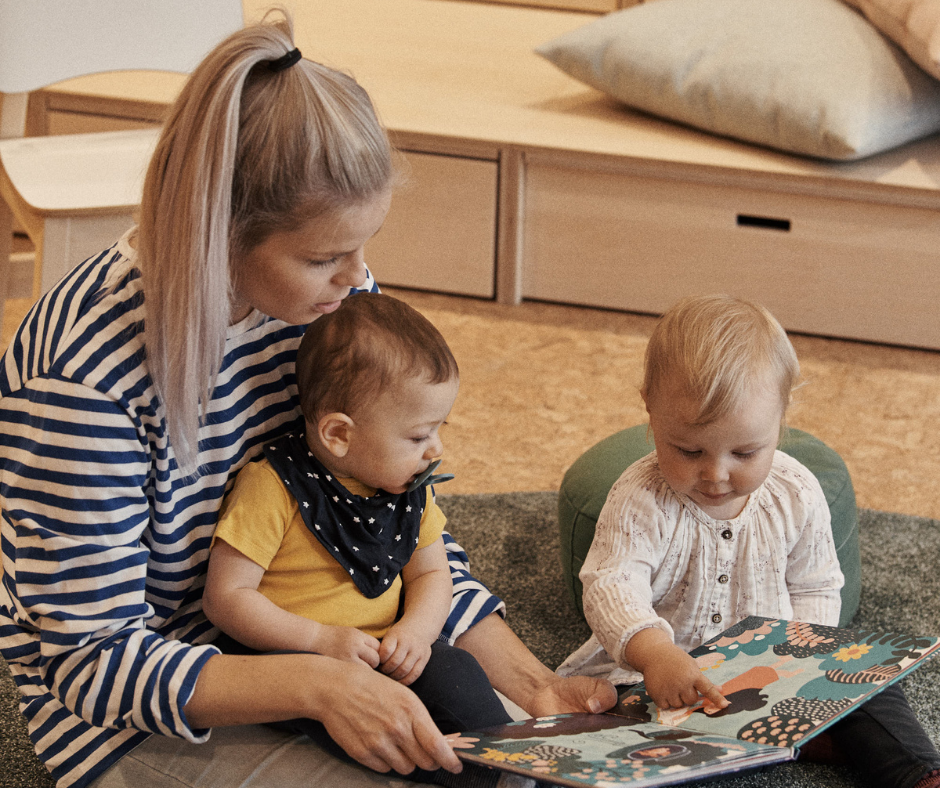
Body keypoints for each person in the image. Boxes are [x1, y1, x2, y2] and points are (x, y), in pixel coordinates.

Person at [0, 13, 615, 788]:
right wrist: (322, 684)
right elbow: (93, 664)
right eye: (325, 255)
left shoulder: (328, 303)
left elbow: (396, 511)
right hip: (149, 707)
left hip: (318, 636)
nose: (357, 276)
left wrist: (534, 689)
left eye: (363, 245)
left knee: (521, 768)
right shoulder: (82, 381)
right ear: (218, 232)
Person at [557, 294, 940, 788]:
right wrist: (655, 656)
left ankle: (916, 773)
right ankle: (792, 742)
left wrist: (802, 664)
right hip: (659, 676)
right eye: (689, 449)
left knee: (876, 687)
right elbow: (611, 584)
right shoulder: (639, 498)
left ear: (781, 419)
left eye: (745, 451)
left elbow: (818, 586)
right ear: (649, 412)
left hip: (775, 675)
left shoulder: (797, 491)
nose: (716, 474)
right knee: (611, 716)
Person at [203, 292, 515, 781]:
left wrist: (418, 630)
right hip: (297, 665)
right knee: (394, 746)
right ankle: (474, 774)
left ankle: (508, 761)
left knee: (458, 673)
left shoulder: (408, 486)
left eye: (439, 428)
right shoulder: (272, 486)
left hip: (387, 649)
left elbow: (433, 571)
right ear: (339, 435)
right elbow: (226, 598)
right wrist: (319, 639)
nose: (437, 449)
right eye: (418, 436)